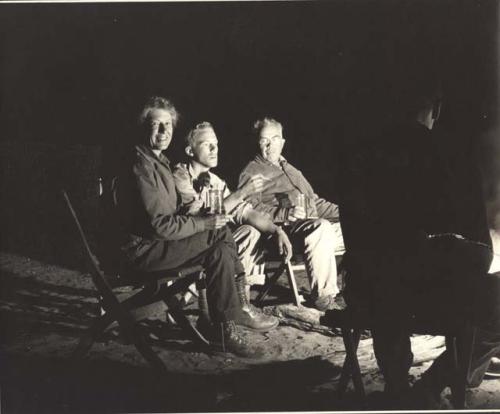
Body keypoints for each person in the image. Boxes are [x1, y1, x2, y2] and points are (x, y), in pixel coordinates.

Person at [342, 81, 500, 409]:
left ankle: (398, 386)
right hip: (435, 297)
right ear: (437, 109)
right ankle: (437, 382)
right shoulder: (450, 159)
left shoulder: (360, 156)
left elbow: (359, 247)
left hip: (371, 295)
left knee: (387, 280)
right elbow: (480, 254)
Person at [113, 96, 269, 358]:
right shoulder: (141, 165)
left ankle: (226, 322)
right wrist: (205, 222)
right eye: (156, 124)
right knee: (216, 237)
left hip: (155, 244)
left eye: (168, 125)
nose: (164, 131)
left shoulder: (156, 160)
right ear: (143, 126)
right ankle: (229, 320)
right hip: (141, 251)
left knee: (218, 240)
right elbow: (161, 225)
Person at [173, 121, 293, 331]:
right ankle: (231, 309)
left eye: (216, 144)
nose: (214, 149)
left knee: (250, 229)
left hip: (210, 246)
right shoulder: (180, 176)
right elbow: (200, 218)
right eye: (207, 144)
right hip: (184, 248)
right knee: (226, 233)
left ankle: (243, 304)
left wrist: (277, 230)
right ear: (189, 150)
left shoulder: (214, 180)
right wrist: (241, 193)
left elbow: (245, 212)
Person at [238, 117, 345, 311]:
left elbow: (314, 202)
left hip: (310, 225)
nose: (270, 145)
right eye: (264, 140)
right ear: (257, 142)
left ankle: (358, 290)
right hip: (283, 232)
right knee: (322, 228)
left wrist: (348, 214)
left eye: (275, 138)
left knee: (359, 228)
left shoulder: (290, 168)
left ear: (283, 141)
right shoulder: (252, 171)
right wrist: (284, 213)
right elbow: (249, 209)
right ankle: (324, 296)